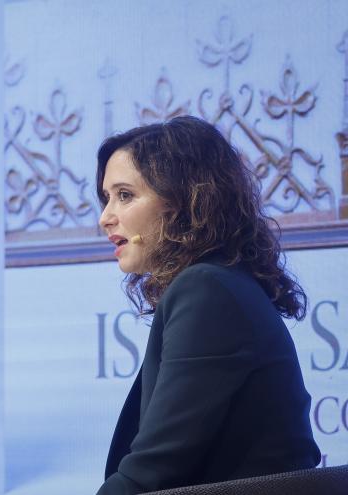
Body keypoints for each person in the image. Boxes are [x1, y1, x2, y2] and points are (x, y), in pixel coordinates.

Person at [95, 116, 321, 495]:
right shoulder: (218, 283)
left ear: (183, 200)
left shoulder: (207, 288)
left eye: (125, 195)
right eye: (107, 198)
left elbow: (153, 467)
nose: (105, 218)